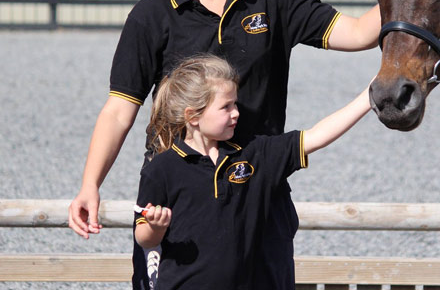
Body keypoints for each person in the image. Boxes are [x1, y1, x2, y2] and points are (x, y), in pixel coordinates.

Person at [67, 0, 380, 290]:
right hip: (180, 198)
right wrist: (90, 185)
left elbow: (358, 34)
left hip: (259, 191)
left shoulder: (272, 0)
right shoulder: (152, 15)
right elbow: (118, 110)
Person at [133, 54, 372, 290]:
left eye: (235, 103)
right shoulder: (161, 169)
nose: (236, 112)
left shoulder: (256, 153)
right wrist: (156, 227)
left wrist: (369, 96)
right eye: (225, 107)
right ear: (193, 116)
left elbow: (316, 137)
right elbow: (143, 238)